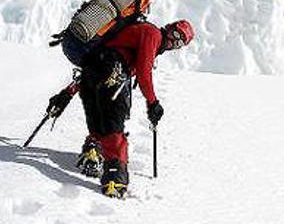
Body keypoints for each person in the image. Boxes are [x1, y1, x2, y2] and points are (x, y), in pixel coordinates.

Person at [47, 19, 194, 198]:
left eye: (179, 41)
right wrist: (153, 102)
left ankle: (93, 149)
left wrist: (66, 94)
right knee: (113, 123)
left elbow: (101, 64)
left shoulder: (143, 33)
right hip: (112, 70)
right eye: (176, 34)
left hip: (93, 69)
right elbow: (143, 70)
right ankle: (115, 176)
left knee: (99, 119)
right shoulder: (152, 34)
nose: (173, 41)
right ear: (169, 28)